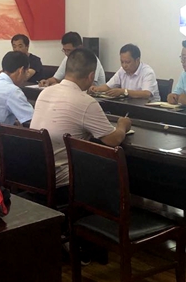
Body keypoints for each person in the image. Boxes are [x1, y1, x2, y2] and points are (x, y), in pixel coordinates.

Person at [30, 48, 131, 200]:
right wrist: (123, 124)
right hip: (62, 178)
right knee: (115, 167)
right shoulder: (86, 102)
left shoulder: (45, 92)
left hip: (34, 172)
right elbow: (114, 140)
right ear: (91, 76)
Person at [89, 43, 160, 101]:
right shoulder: (122, 70)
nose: (124, 65)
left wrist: (123, 91)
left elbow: (146, 94)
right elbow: (108, 86)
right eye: (122, 62)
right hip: (130, 105)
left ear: (137, 60)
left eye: (127, 62)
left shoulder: (147, 72)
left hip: (149, 108)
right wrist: (96, 89)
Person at [38, 32, 106, 87]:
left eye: (69, 50)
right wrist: (48, 81)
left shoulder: (90, 58)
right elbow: (56, 79)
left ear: (79, 47)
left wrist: (61, 85)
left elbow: (90, 85)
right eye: (64, 50)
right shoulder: (68, 58)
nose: (66, 53)